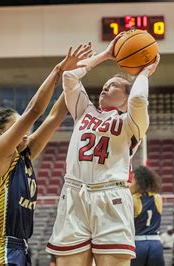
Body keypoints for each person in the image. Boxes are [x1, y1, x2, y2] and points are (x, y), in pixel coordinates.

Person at [0, 44, 92, 265]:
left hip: (20, 248)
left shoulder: (24, 155)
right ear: (0, 133)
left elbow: (55, 116)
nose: (25, 131)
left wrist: (75, 75)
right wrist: (58, 70)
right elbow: (35, 111)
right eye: (18, 126)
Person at [46, 31, 160, 266]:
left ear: (125, 97)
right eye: (105, 84)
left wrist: (145, 72)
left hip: (111, 198)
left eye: (113, 85)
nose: (105, 87)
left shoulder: (132, 122)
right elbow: (69, 77)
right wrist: (106, 54)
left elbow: (138, 99)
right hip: (74, 194)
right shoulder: (84, 110)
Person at [130, 166, 164, 266]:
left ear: (139, 182)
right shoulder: (158, 197)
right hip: (155, 243)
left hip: (138, 243)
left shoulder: (133, 199)